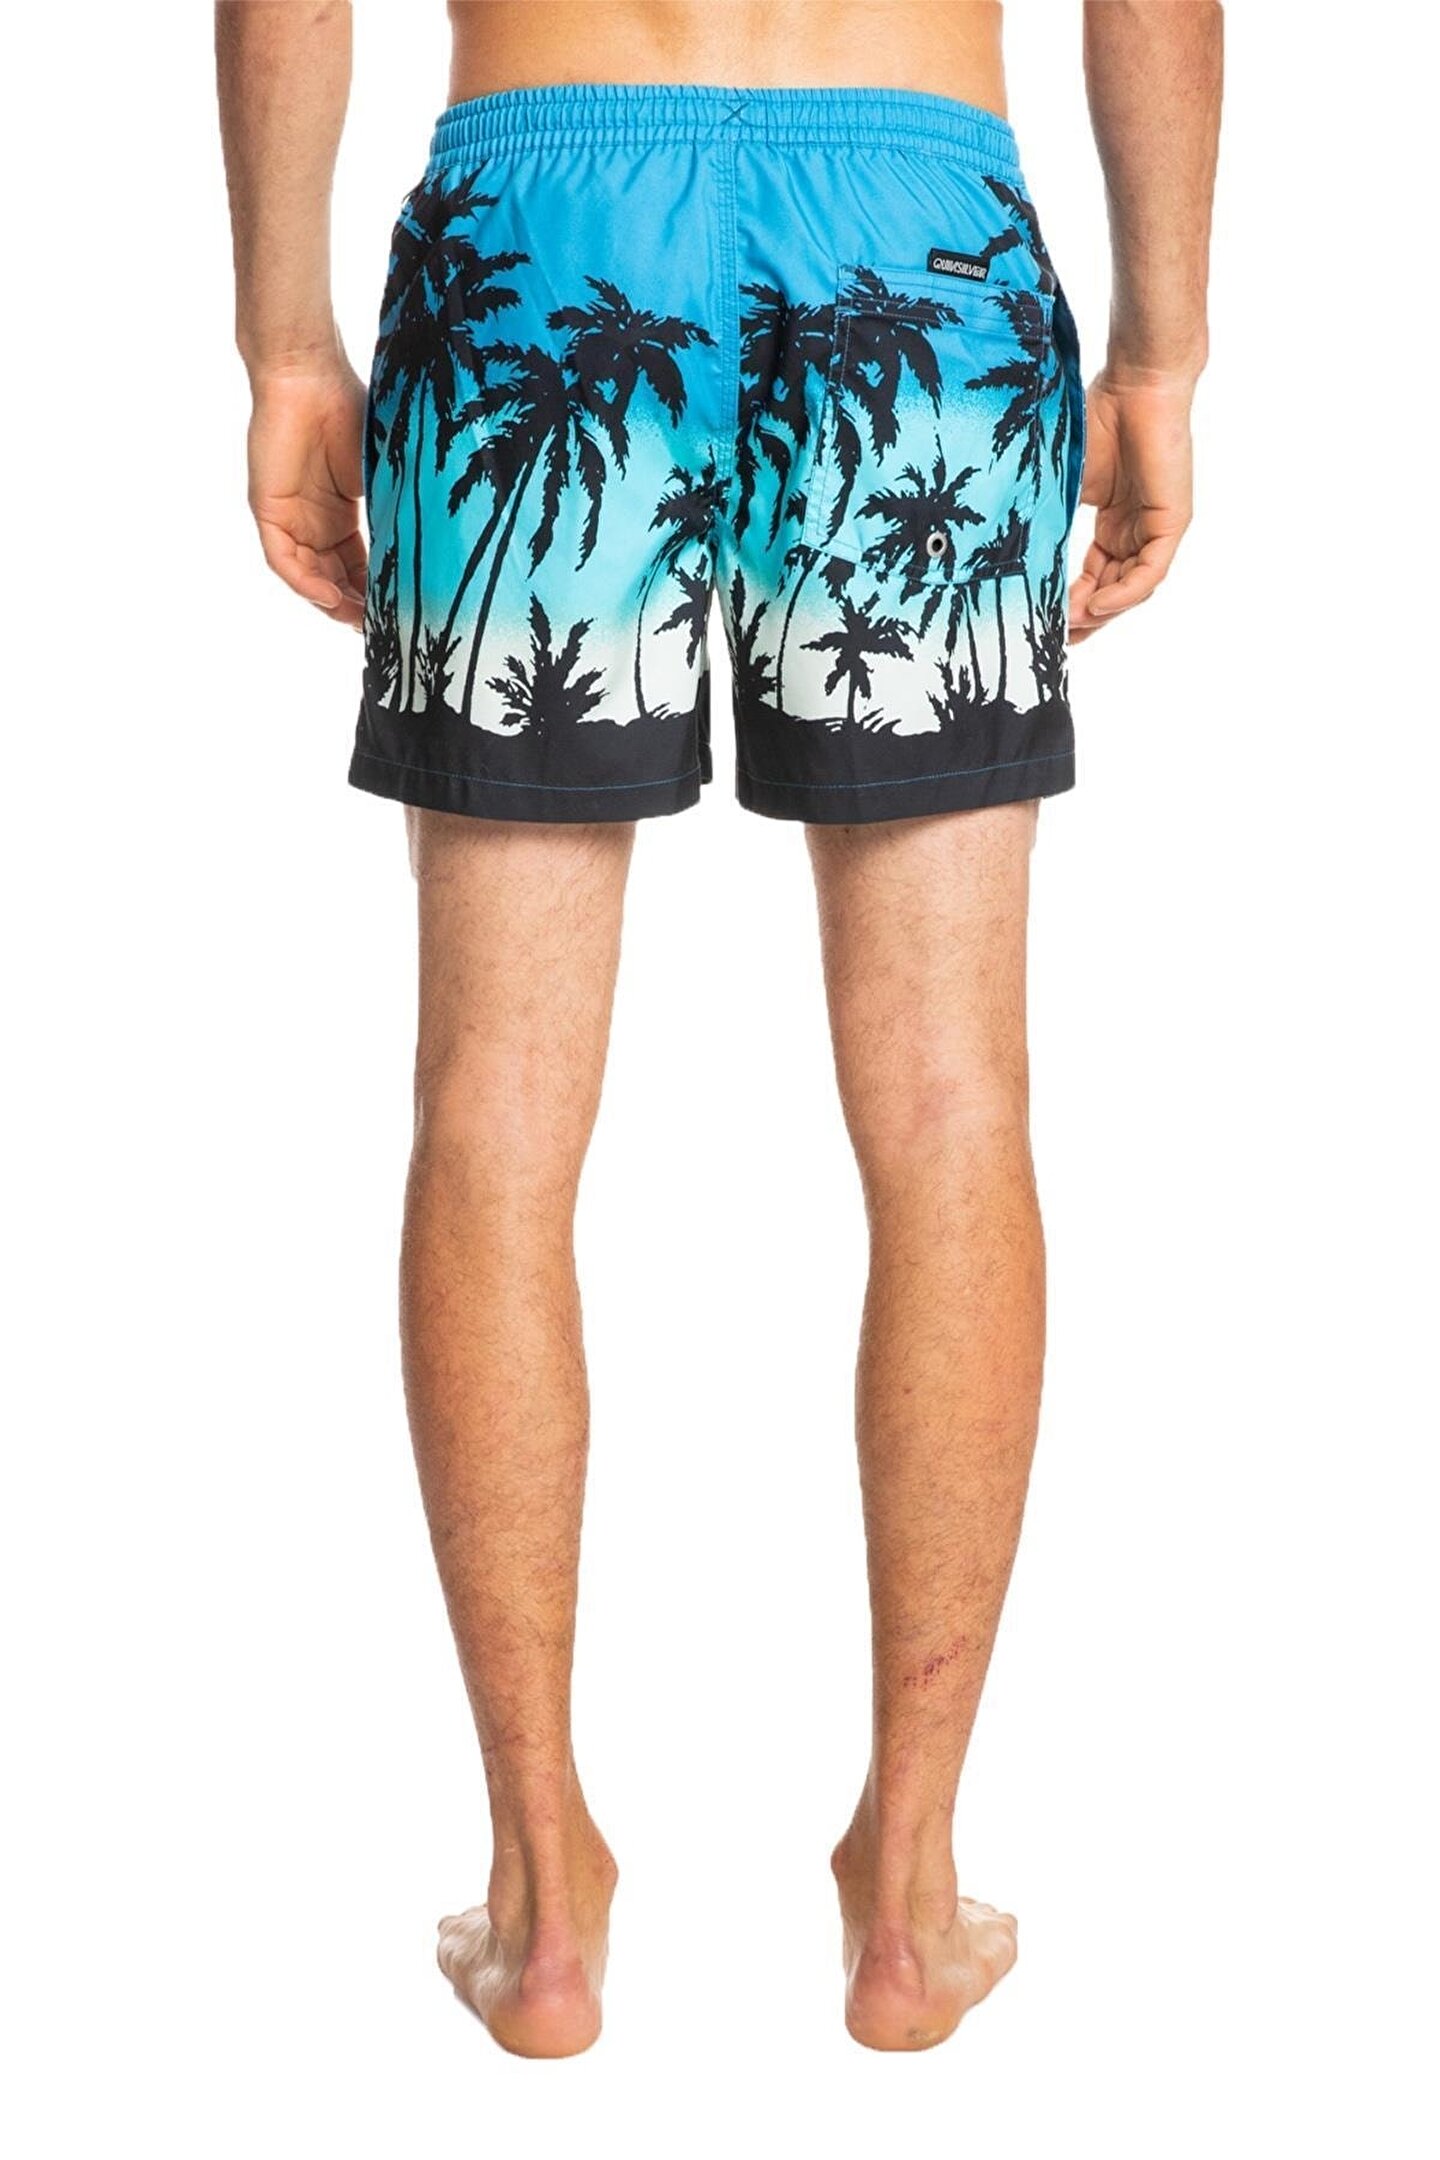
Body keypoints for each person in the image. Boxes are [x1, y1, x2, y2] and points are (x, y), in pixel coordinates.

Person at [217, 0, 1221, 2058]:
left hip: (546, 222)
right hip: (915, 223)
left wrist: (285, 344)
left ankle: (539, 1903)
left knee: (494, 1107)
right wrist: (1161, 356)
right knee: (952, 1103)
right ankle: (913, 1897)